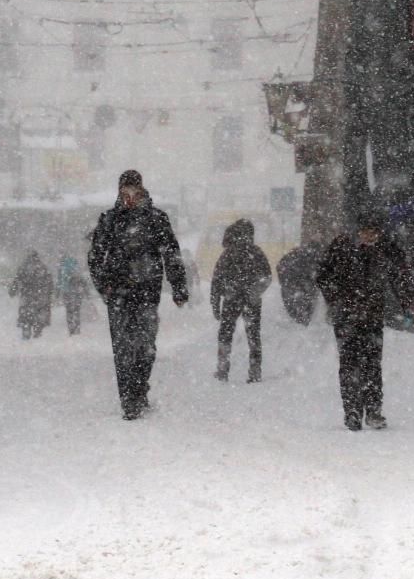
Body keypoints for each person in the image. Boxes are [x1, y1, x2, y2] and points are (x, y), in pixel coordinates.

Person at [87, 169, 188, 419]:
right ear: (120, 192)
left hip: (147, 292)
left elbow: (171, 254)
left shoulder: (156, 219)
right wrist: (105, 285)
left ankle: (139, 388)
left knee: (145, 348)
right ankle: (129, 401)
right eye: (125, 191)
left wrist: (178, 287)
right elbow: (95, 256)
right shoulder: (110, 220)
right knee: (122, 350)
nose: (130, 196)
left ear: (141, 190)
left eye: (134, 191)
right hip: (118, 293)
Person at [316, 209, 410, 431]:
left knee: (372, 365)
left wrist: (406, 304)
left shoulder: (385, 250)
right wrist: (336, 299)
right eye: (366, 232)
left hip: (372, 317)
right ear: (358, 231)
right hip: (346, 318)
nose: (370, 237)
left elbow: (400, 276)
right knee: (349, 364)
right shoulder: (341, 247)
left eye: (374, 233)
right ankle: (352, 411)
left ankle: (374, 410)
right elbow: (322, 276)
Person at [211, 219, 273, 382]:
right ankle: (255, 372)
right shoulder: (256, 252)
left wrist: (216, 302)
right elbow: (267, 276)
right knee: (253, 335)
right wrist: (255, 292)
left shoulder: (227, 254)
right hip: (251, 301)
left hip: (231, 300)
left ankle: (222, 370)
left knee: (225, 334)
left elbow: (216, 280)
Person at [10, 251, 55, 339]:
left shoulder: (23, 267)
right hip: (40, 295)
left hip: (26, 294)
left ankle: (26, 331)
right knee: (39, 314)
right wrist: (49, 292)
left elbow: (17, 279)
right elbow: (49, 281)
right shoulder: (43, 267)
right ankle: (37, 332)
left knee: (25, 313)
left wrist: (13, 290)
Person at [276, 242, 322, 326]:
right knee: (307, 301)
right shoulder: (312, 257)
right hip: (304, 284)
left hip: (291, 283)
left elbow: (279, 267)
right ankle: (304, 319)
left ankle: (298, 318)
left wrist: (284, 281)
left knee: (292, 302)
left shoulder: (290, 257)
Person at [57, 254, 90, 335]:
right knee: (77, 310)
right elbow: (82, 279)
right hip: (78, 291)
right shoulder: (75, 265)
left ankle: (71, 328)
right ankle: (77, 328)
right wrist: (86, 292)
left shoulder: (62, 267)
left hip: (66, 291)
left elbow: (59, 281)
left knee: (69, 310)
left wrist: (57, 292)